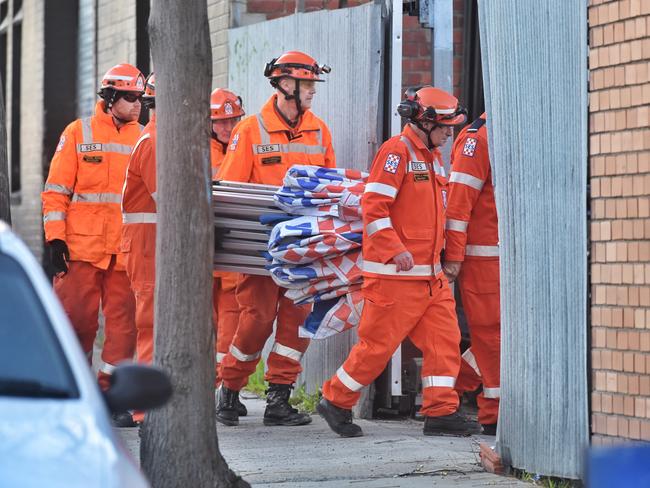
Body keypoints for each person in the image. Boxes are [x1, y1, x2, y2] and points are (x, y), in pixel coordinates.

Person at [317, 86, 480, 437]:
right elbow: (374, 208)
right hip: (394, 278)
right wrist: (395, 248)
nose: (450, 134)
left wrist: (450, 257)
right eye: (446, 128)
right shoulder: (396, 153)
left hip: (429, 278)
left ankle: (440, 412)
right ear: (424, 122)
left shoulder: (432, 157)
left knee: (445, 341)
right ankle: (336, 399)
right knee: (377, 347)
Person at [216, 50, 335, 427]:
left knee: (296, 324)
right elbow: (231, 190)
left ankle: (278, 399)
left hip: (303, 250)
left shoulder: (319, 130)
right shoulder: (250, 130)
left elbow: (329, 189)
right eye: (307, 84)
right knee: (257, 320)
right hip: (260, 249)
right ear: (286, 85)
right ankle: (230, 389)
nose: (313, 91)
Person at [42, 63, 145, 427]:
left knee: (124, 328)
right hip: (80, 251)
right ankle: (75, 392)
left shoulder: (143, 138)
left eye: (141, 98)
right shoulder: (77, 132)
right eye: (131, 97)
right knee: (76, 325)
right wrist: (54, 240)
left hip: (124, 251)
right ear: (111, 97)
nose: (138, 104)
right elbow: (55, 191)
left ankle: (111, 397)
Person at [443, 112, 500, 435]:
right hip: (483, 257)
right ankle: (492, 413)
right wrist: (454, 256)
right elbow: (458, 205)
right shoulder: (477, 139)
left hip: (505, 255)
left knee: (502, 335)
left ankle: (449, 391)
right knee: (491, 334)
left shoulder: (507, 133)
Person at [120, 73, 157, 406]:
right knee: (149, 325)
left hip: (152, 245)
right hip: (146, 246)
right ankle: (145, 412)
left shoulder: (161, 139)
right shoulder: (154, 142)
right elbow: (173, 201)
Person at [209, 88, 247, 416]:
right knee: (202, 323)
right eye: (222, 122)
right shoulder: (193, 150)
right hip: (202, 253)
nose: (229, 126)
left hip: (231, 253)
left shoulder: (242, 146)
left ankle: (225, 390)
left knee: (231, 324)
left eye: (234, 119)